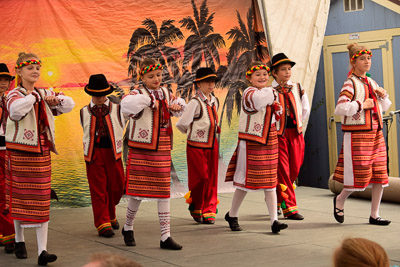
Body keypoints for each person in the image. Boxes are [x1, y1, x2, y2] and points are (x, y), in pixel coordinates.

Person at [5, 52, 75, 265]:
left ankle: (42, 251)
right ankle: (19, 240)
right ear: (18, 71)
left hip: (42, 152)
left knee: (42, 200)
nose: (35, 72)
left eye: (37, 68)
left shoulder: (44, 92)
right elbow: (15, 112)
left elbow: (68, 104)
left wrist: (56, 99)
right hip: (19, 152)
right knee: (20, 198)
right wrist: (35, 96)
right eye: (29, 68)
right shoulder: (12, 94)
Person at [120, 58, 185, 250]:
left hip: (162, 146)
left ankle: (165, 236)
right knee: (137, 192)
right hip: (142, 148)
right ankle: (128, 227)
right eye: (151, 76)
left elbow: (177, 105)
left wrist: (177, 106)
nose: (156, 79)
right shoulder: (137, 93)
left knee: (164, 192)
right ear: (143, 77)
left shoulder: (165, 92)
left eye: (158, 75)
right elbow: (126, 106)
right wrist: (150, 100)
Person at [224, 61, 288, 233]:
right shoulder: (249, 93)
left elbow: (273, 117)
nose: (262, 77)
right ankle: (232, 214)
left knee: (270, 182)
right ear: (249, 78)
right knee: (244, 182)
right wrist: (273, 92)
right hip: (251, 142)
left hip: (269, 141)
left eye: (265, 74)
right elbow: (261, 101)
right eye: (258, 75)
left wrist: (277, 108)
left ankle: (274, 220)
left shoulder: (269, 92)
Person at [333, 43, 391, 226]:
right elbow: (340, 108)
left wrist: (382, 96)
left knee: (380, 176)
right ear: (353, 61)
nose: (367, 62)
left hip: (375, 133)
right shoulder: (350, 83)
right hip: (357, 135)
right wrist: (361, 105)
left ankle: (375, 214)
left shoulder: (372, 82)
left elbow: (384, 107)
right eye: (362, 59)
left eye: (369, 58)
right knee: (358, 177)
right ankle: (340, 199)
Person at [80, 74, 125, 237]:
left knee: (117, 187)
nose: (100, 98)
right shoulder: (83, 111)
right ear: (91, 94)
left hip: (114, 153)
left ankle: (111, 215)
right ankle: (102, 223)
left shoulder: (118, 109)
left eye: (102, 94)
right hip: (94, 153)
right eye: (96, 95)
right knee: (98, 189)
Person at [176, 67, 220, 224]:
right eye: (207, 81)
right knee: (200, 177)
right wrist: (193, 135)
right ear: (199, 84)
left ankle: (209, 209)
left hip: (212, 144)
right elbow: (182, 124)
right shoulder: (195, 103)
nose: (211, 84)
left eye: (213, 81)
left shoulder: (214, 100)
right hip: (196, 145)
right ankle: (196, 206)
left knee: (212, 178)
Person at [270, 53, 310, 220]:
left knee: (294, 168)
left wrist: (298, 124)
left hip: (296, 134)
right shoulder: (269, 91)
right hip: (279, 135)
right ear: (274, 72)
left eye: (289, 69)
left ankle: (278, 199)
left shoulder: (297, 87)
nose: (287, 72)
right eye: (283, 69)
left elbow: (305, 109)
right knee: (284, 171)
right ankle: (290, 208)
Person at [0, 63, 15, 254]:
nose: (3, 83)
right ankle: (8, 233)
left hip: (7, 148)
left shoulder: (11, 100)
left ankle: (8, 233)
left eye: (5, 80)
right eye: (0, 80)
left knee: (5, 191)